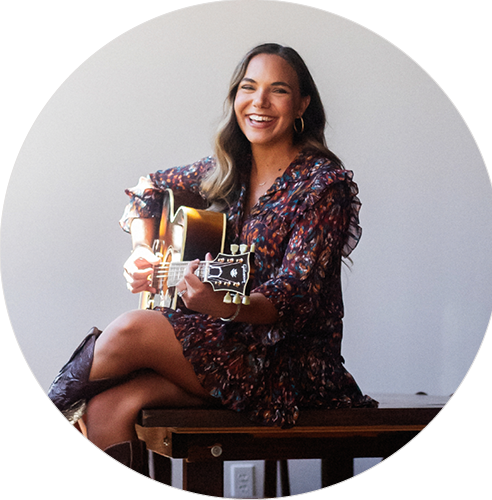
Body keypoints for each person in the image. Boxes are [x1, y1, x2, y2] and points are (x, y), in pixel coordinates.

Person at [48, 43, 377, 474]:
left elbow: (294, 294)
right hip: (224, 347)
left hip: (287, 365)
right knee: (109, 407)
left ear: (302, 105)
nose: (259, 102)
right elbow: (148, 189)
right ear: (235, 97)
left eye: (277, 90)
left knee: (133, 328)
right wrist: (142, 250)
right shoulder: (228, 169)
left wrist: (223, 306)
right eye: (248, 87)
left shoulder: (322, 185)